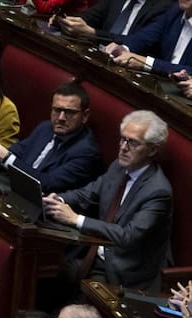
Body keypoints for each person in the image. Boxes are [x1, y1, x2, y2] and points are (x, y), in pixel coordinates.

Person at [43, 110, 172, 293]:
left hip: (123, 273)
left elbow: (127, 236)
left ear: (152, 150)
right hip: (94, 256)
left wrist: (75, 219)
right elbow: (87, 194)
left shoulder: (158, 191)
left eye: (133, 142)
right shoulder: (118, 168)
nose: (123, 147)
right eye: (122, 139)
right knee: (41, 270)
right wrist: (58, 199)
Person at [0, 82, 105, 194]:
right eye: (56, 110)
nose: (61, 118)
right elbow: (16, 154)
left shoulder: (86, 152)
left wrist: (3, 155)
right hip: (15, 193)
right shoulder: (45, 128)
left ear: (85, 116)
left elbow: (46, 183)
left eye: (69, 112)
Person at [105, 0, 192, 76]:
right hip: (162, 82)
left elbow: (189, 71)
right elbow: (146, 35)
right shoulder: (176, 11)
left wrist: (145, 62)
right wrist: (123, 48)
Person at [51, 0, 171, 45]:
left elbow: (137, 42)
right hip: (97, 54)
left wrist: (93, 33)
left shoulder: (164, 6)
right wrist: (69, 21)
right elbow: (91, 16)